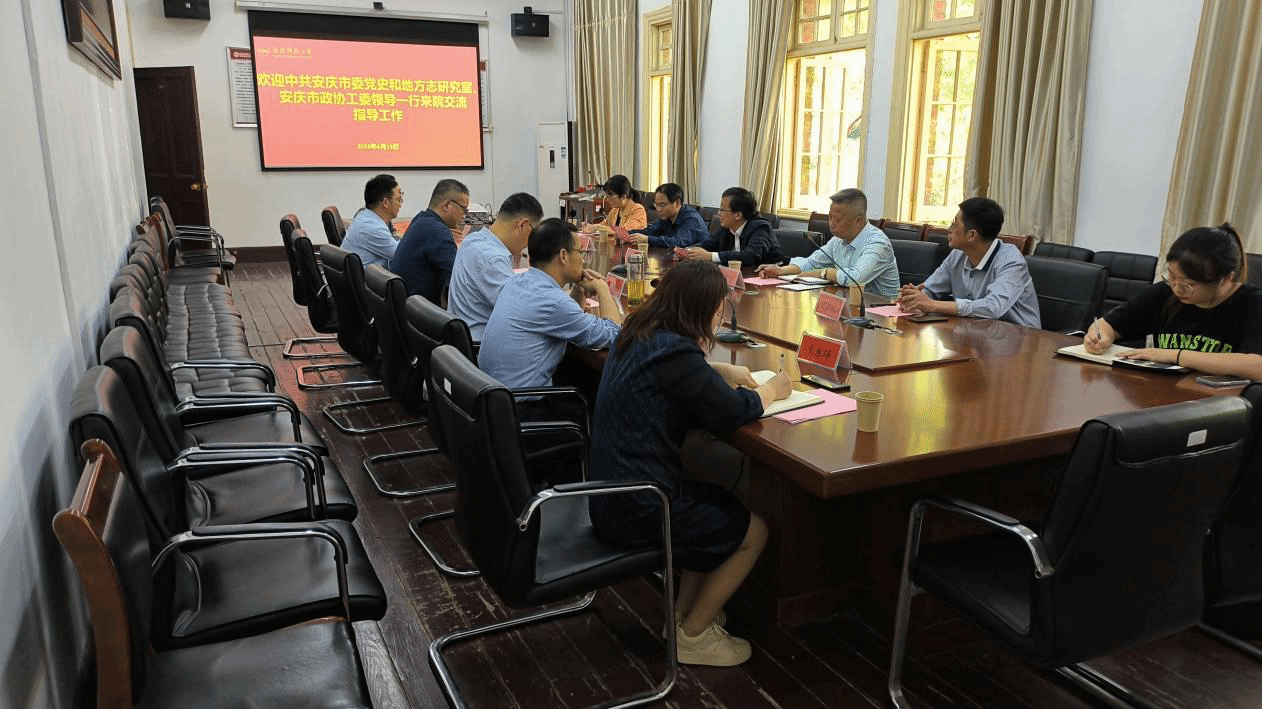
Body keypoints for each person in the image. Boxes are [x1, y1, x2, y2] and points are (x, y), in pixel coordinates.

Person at [587, 260, 792, 667]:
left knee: (713, 505)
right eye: (719, 308)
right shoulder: (677, 350)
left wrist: (715, 369)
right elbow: (734, 411)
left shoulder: (639, 330)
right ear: (704, 310)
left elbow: (667, 374)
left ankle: (681, 616)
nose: (721, 317)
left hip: (610, 494)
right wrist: (772, 388)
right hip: (640, 506)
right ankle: (693, 635)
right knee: (754, 531)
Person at [1085, 223, 1262, 378]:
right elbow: (1108, 325)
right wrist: (1100, 336)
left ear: (1227, 279)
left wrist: (1175, 356)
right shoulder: (1163, 292)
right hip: (1161, 391)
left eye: (1188, 284)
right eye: (1172, 276)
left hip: (1220, 400)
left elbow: (1257, 366)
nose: (1177, 288)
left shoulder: (1253, 303)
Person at [479, 219, 622, 392]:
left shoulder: (517, 282)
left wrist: (578, 288)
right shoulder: (553, 302)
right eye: (580, 252)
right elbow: (615, 336)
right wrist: (603, 288)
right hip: (523, 402)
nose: (583, 259)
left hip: (494, 395)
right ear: (563, 256)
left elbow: (568, 320)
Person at [896, 197, 1041, 328]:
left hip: (1021, 339)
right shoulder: (957, 255)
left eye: (954, 225)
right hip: (977, 333)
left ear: (972, 235)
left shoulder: (1011, 261)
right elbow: (930, 290)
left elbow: (992, 308)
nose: (949, 229)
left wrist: (932, 305)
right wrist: (913, 297)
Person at [756, 188, 900, 299]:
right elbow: (812, 263)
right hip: (847, 304)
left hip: (880, 312)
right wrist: (781, 270)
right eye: (830, 217)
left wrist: (824, 273)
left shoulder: (877, 244)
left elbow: (855, 279)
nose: (831, 224)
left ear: (858, 221)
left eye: (837, 220)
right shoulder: (838, 240)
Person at [447, 192, 544, 340]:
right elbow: (525, 315)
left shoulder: (472, 240)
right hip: (480, 346)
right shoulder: (493, 259)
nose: (530, 244)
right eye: (534, 233)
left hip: (462, 341)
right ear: (523, 225)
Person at [390, 179, 469, 304]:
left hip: (403, 304)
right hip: (418, 311)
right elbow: (459, 283)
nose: (464, 216)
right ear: (447, 205)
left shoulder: (421, 218)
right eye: (463, 209)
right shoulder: (438, 232)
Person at [680, 187, 784, 268]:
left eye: (722, 209)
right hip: (741, 277)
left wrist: (710, 256)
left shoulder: (761, 228)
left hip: (768, 280)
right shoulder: (727, 227)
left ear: (738, 215)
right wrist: (688, 251)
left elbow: (750, 256)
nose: (718, 213)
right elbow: (710, 244)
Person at [343, 174, 403, 268]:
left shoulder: (364, 215)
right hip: (370, 277)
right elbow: (403, 254)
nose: (400, 205)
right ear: (386, 202)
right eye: (399, 199)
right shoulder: (373, 228)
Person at [630, 182, 710, 249]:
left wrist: (648, 239)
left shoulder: (692, 219)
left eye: (662, 205)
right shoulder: (667, 217)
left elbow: (677, 242)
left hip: (697, 262)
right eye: (656, 205)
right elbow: (650, 231)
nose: (658, 210)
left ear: (677, 203)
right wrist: (628, 234)